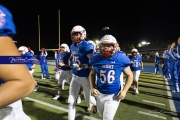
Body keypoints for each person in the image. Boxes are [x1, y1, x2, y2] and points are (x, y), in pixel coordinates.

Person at [0, 4, 35, 119]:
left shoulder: (29, 55)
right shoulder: (19, 56)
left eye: (21, 51)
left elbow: (23, 81)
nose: (19, 52)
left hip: (7, 92)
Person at [89, 34, 133, 120]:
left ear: (115, 46)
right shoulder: (96, 59)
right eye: (104, 45)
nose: (106, 48)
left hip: (114, 95)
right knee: (102, 115)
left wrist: (124, 91)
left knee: (107, 118)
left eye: (109, 45)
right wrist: (92, 87)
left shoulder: (121, 58)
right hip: (100, 93)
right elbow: (92, 74)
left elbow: (130, 75)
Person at [68, 25, 97, 120]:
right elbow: (74, 55)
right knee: (71, 102)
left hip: (85, 77)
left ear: (83, 34)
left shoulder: (87, 46)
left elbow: (94, 64)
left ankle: (95, 105)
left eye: (77, 34)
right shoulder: (72, 46)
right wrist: (70, 60)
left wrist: (83, 66)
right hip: (75, 76)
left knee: (88, 98)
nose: (75, 36)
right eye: (73, 34)